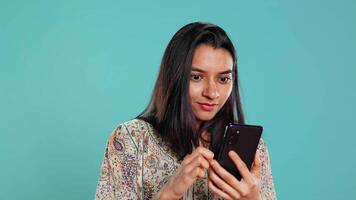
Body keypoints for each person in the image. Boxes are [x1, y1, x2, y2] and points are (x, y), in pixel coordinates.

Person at [95, 22, 277, 200]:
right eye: (196, 77)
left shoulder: (253, 150)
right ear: (175, 76)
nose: (212, 93)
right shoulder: (131, 139)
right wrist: (170, 192)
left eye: (223, 79)